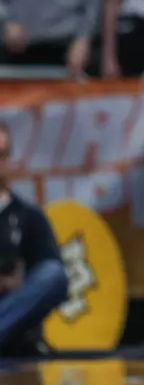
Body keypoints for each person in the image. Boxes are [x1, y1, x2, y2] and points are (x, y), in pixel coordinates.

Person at [0, 125, 68, 356]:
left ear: (8, 160)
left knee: (53, 273)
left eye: (1, 155)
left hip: (13, 309)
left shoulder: (28, 216)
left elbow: (52, 281)